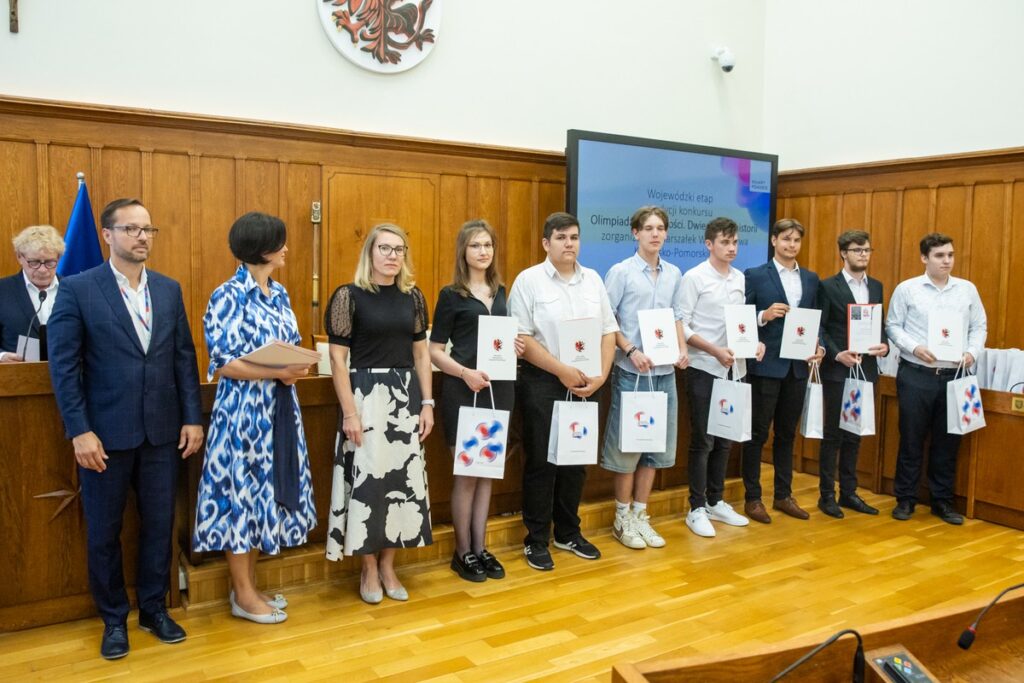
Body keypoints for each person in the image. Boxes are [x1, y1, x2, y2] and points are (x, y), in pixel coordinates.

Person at [47, 198, 204, 660]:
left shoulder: (169, 290)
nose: (142, 237)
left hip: (162, 432)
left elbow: (183, 357)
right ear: (107, 235)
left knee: (159, 525)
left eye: (148, 229)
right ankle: (113, 618)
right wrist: (79, 430)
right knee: (104, 532)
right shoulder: (77, 289)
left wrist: (192, 417)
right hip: (104, 437)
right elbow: (64, 367)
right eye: (132, 229)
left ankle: (154, 609)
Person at [192, 212, 317, 624]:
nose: (286, 248)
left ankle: (250, 587)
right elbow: (223, 363)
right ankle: (243, 595)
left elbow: (290, 345)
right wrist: (277, 372)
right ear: (261, 248)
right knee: (240, 500)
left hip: (281, 409)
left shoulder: (279, 293)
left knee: (267, 497)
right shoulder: (227, 295)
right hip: (243, 414)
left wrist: (295, 365)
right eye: (279, 242)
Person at [324, 223, 434, 603]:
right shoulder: (348, 296)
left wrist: (428, 403)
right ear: (370, 252)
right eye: (385, 248)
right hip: (366, 399)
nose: (392, 255)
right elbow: (338, 360)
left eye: (399, 249)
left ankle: (389, 566)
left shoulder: (413, 297)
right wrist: (350, 413)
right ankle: (368, 568)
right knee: (369, 488)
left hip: (405, 399)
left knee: (401, 487)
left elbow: (422, 354)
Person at [508, 211, 618, 571]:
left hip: (588, 383)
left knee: (576, 461)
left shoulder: (593, 280)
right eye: (560, 238)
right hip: (543, 381)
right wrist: (562, 371)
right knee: (542, 461)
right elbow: (522, 338)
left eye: (573, 237)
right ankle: (536, 539)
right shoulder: (529, 281)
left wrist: (600, 377)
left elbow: (607, 331)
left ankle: (568, 532)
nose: (569, 244)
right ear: (546, 243)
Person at [429, 219, 522, 582]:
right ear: (463, 252)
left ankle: (481, 549)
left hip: (501, 389)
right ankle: (462, 552)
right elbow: (435, 351)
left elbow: (504, 340)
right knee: (467, 475)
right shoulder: (451, 294)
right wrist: (464, 372)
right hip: (463, 390)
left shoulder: (502, 291)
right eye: (475, 246)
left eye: (488, 245)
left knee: (487, 475)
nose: (483, 251)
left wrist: (515, 346)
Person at [600, 206, 688, 550]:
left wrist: (682, 349)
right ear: (635, 233)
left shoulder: (674, 273)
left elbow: (677, 315)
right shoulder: (621, 272)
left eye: (661, 228)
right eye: (648, 228)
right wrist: (631, 349)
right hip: (631, 372)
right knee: (630, 447)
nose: (655, 233)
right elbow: (607, 320)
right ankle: (621, 518)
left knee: (655, 448)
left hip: (664, 373)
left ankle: (640, 514)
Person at [885, 232, 987, 525]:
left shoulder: (967, 290)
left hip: (956, 375)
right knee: (911, 439)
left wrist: (971, 352)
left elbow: (979, 326)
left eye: (950, 255)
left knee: (948, 441)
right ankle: (905, 499)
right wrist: (914, 347)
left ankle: (942, 502)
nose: (947, 261)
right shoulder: (908, 289)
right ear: (924, 258)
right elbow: (892, 326)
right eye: (940, 256)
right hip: (917, 374)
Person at [679, 217, 765, 538]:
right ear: (709, 244)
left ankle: (716, 500)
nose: (731, 248)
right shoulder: (694, 278)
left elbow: (741, 323)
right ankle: (696, 507)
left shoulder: (740, 278)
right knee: (703, 440)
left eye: (735, 242)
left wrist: (753, 342)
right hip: (705, 367)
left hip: (735, 369)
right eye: (724, 242)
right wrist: (714, 350)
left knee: (725, 438)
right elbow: (683, 326)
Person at [741, 218, 823, 524]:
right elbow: (741, 319)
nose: (791, 245)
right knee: (758, 434)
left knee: (787, 435)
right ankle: (752, 498)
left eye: (796, 241)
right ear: (774, 241)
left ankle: (783, 495)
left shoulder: (812, 279)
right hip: (766, 366)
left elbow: (818, 321)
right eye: (786, 239)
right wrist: (763, 316)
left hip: (798, 367)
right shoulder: (755, 275)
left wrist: (820, 347)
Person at [816, 230, 887, 518]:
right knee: (833, 433)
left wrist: (885, 344)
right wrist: (836, 354)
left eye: (867, 250)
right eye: (857, 250)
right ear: (844, 253)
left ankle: (849, 492)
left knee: (854, 433)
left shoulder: (878, 286)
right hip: (837, 369)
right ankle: (826, 495)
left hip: (866, 369)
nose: (863, 255)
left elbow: (879, 324)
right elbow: (820, 327)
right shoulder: (827, 286)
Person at [0, 225, 64, 362]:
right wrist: (2, 356)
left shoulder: (74, 289)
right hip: (16, 377)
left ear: (58, 258)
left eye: (50, 262)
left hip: (67, 377)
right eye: (34, 262)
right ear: (19, 257)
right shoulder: (3, 290)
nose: (42, 270)